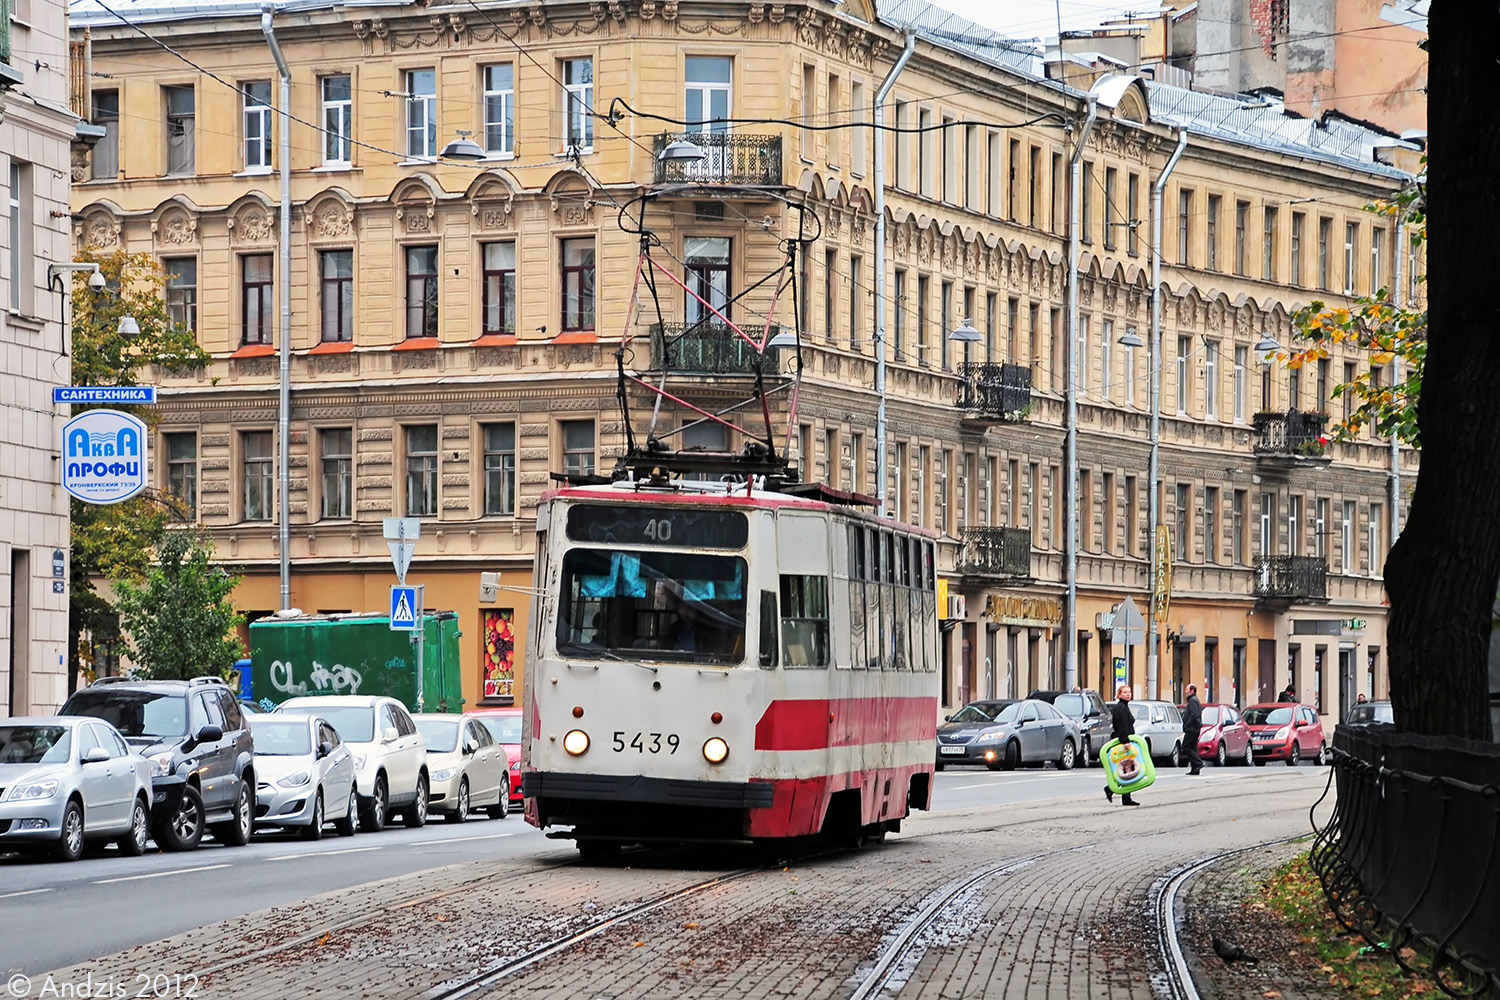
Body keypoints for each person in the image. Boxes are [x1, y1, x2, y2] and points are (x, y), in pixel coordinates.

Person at [1104, 684, 1141, 806]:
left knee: (1127, 769)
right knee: (1126, 768)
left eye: (1129, 692)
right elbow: (1122, 725)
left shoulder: (1124, 707)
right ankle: (1111, 789)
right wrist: (1125, 740)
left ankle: (1125, 796)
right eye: (1125, 692)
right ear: (1119, 694)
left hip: (1126, 741)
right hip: (1124, 742)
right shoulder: (1121, 708)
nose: (1128, 694)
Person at [1182, 684, 1203, 775]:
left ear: (1192, 691)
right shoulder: (1194, 700)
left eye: (1187, 689)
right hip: (1194, 728)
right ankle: (1195, 769)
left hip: (1192, 728)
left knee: (1185, 746)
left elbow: (1194, 714)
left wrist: (1187, 724)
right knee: (1193, 748)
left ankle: (1198, 763)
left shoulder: (1193, 701)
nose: (1185, 691)